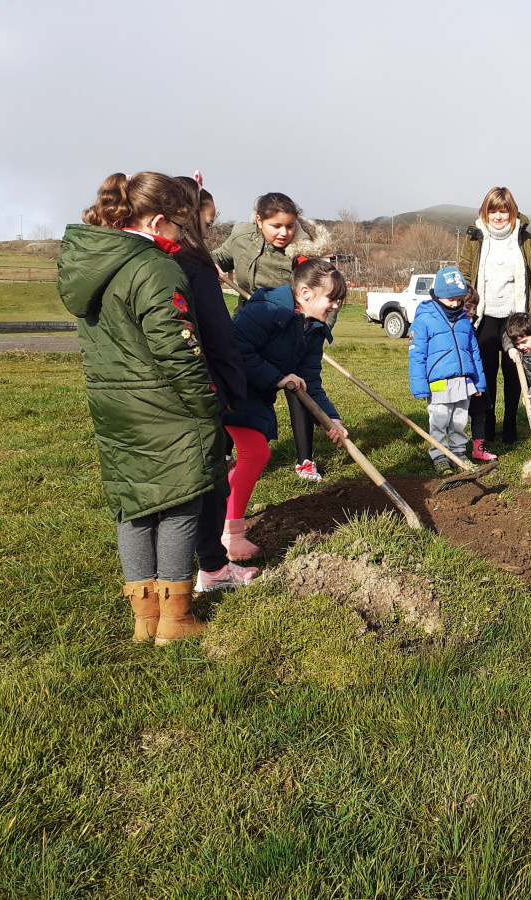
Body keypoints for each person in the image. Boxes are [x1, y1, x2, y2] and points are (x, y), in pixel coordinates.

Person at [57, 172, 225, 645]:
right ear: (155, 221)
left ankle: (144, 619)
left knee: (133, 503)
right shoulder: (154, 268)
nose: (182, 235)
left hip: (115, 405)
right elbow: (177, 348)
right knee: (181, 502)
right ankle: (176, 620)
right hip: (165, 404)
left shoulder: (93, 266)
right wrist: (206, 405)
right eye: (178, 225)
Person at [221, 258, 349, 559]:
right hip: (231, 389)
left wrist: (331, 418)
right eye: (331, 299)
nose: (334, 306)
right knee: (256, 454)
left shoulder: (313, 329)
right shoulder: (266, 311)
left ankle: (222, 515)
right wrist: (278, 377)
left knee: (253, 456)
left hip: (257, 394)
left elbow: (311, 381)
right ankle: (231, 534)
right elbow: (236, 350)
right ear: (305, 293)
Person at [171, 174, 257, 592]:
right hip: (201, 386)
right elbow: (218, 332)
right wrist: (230, 388)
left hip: (159, 394)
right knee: (211, 481)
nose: (211, 229)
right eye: (208, 221)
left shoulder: (148, 259)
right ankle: (212, 567)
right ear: (189, 219)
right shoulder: (195, 262)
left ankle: (186, 571)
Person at [213, 192, 330, 481]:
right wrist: (211, 266)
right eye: (276, 225)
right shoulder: (240, 236)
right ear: (258, 220)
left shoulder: (300, 253)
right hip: (249, 326)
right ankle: (226, 455)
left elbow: (317, 294)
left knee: (297, 387)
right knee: (240, 388)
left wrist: (314, 330)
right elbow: (219, 257)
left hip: (287, 331)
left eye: (289, 226)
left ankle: (305, 462)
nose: (284, 233)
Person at [456, 186, 531, 461]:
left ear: (512, 212)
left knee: (513, 372)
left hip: (513, 316)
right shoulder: (475, 237)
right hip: (483, 316)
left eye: (503, 210)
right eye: (493, 210)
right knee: (485, 374)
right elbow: (463, 272)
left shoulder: (524, 238)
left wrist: (529, 312)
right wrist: (467, 307)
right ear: (486, 212)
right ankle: (488, 425)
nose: (498, 216)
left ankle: (510, 423)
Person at [407, 267, 486, 475]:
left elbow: (473, 351)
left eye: (459, 299)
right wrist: (419, 385)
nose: (455, 304)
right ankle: (440, 455)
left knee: (460, 420)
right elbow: (417, 354)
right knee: (440, 420)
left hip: (464, 381)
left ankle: (459, 453)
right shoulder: (424, 319)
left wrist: (479, 381)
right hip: (439, 383)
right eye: (450, 299)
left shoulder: (463, 320)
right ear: (438, 295)